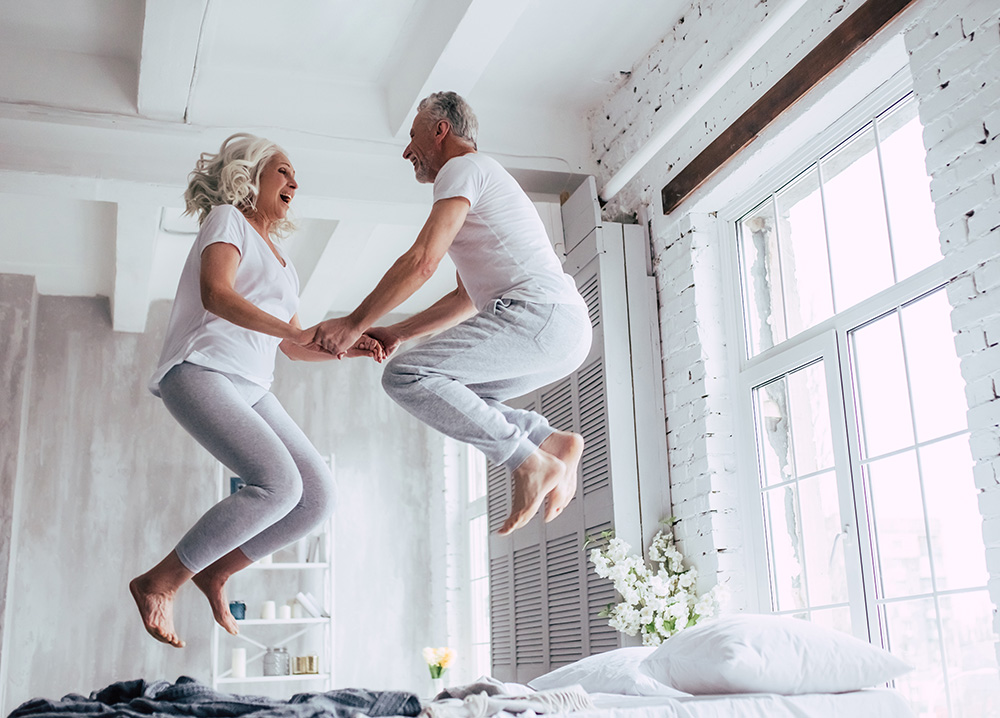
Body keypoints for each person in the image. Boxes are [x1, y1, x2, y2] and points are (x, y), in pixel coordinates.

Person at [130, 133, 377, 648]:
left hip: (253, 385)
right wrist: (296, 332)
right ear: (251, 174)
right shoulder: (227, 219)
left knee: (317, 498)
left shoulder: (285, 263)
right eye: (283, 170)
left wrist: (351, 346)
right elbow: (215, 293)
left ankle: (215, 571)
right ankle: (161, 581)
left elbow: (293, 347)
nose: (293, 182)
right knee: (279, 485)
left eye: (295, 178)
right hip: (200, 371)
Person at [307, 91, 592, 536]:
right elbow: (463, 299)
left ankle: (527, 461)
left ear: (441, 131)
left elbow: (422, 261)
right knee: (458, 393)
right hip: (562, 328)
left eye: (413, 136)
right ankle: (548, 441)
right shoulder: (481, 180)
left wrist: (353, 323)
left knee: (405, 376)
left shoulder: (463, 169)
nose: (407, 151)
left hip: (540, 316)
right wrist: (399, 331)